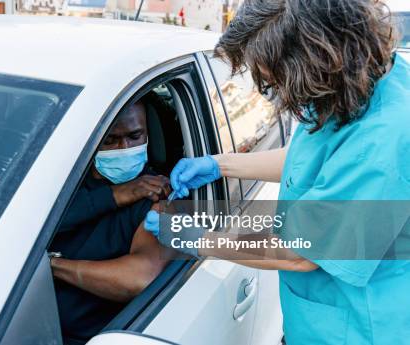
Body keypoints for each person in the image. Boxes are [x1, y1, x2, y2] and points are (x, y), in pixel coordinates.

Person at [146, 1, 410, 344]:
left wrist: (196, 238)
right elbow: (312, 157)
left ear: (311, 61)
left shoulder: (382, 141)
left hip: (357, 330)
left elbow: (299, 252)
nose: (273, 90)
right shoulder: (363, 80)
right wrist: (219, 164)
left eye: (273, 78)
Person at [49, 99, 173, 344]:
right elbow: (30, 224)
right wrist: (115, 196)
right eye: (110, 140)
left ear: (149, 134)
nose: (123, 147)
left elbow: (141, 276)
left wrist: (53, 267)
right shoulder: (61, 183)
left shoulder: (162, 195)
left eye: (135, 136)